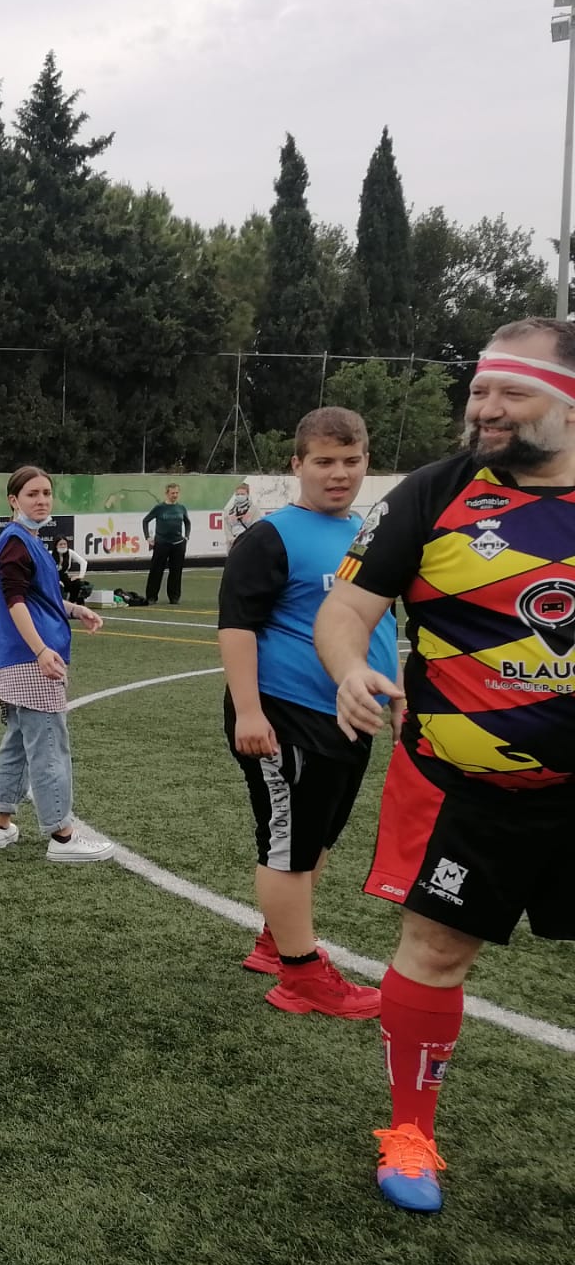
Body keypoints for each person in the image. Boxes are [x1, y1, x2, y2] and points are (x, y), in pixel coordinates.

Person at [317, 316, 575, 1214]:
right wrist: (351, 668)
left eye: (511, 392)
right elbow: (346, 609)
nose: (487, 409)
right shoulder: (434, 493)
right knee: (433, 950)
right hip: (472, 790)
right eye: (478, 392)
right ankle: (411, 1135)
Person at [217, 408, 395, 1017]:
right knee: (288, 845)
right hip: (283, 714)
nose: (338, 473)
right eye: (323, 461)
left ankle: (276, 939)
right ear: (297, 465)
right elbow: (237, 628)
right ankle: (300, 976)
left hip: (350, 714)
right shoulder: (270, 537)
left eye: (351, 460)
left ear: (366, 461)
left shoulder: (371, 534)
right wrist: (248, 712)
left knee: (317, 840)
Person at [0, 466, 115, 863]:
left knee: (19, 745)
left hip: (20, 660)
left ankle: (0, 824)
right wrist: (41, 650)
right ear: (13, 500)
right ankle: (62, 836)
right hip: (29, 662)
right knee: (50, 747)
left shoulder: (29, 541)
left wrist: (75, 610)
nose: (41, 500)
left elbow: (40, 599)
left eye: (46, 493)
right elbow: (15, 601)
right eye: (31, 494)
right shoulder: (15, 542)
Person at [143, 482, 191, 603]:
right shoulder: (159, 508)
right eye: (172, 493)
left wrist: (186, 537)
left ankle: (174, 597)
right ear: (167, 493)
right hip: (162, 543)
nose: (175, 495)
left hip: (178, 543)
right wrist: (148, 537)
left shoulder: (181, 508)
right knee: (156, 570)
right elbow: (146, 520)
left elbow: (187, 522)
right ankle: (151, 597)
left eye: (176, 493)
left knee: (176, 571)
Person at [52, 534, 91, 607]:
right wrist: (57, 581)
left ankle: (72, 602)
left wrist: (80, 576)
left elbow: (83, 562)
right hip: (52, 577)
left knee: (77, 583)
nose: (63, 546)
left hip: (64, 576)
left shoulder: (70, 552)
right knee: (59, 586)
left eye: (64, 544)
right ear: (56, 545)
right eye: (60, 544)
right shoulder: (50, 554)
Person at [223, 480, 255, 549]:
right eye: (238, 494)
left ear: (248, 494)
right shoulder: (229, 510)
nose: (240, 496)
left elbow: (257, 526)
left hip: (249, 542)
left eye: (242, 494)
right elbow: (227, 528)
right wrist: (231, 539)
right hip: (234, 543)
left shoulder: (254, 509)